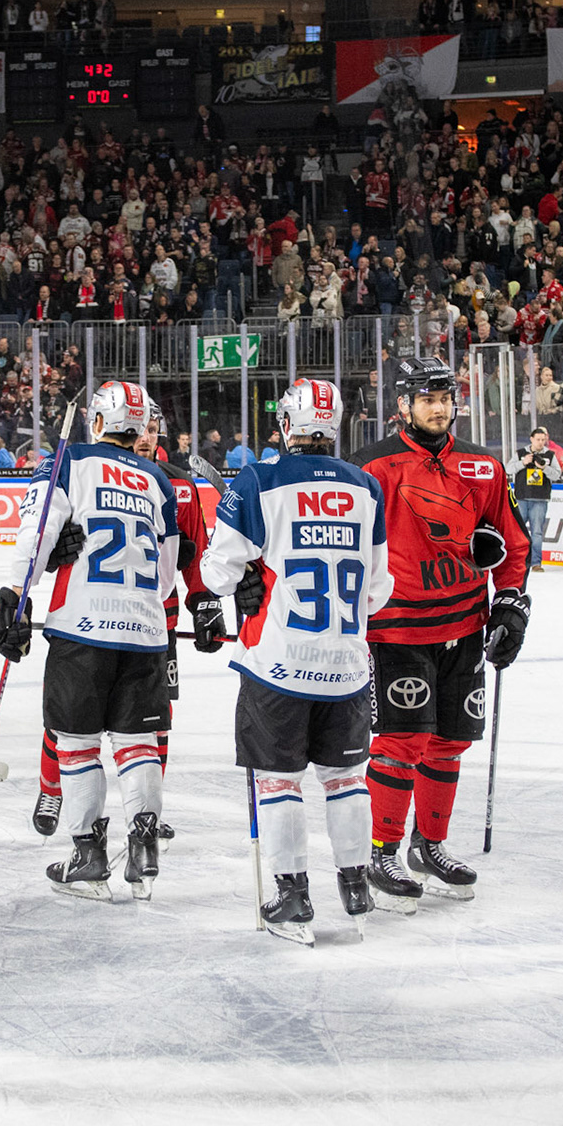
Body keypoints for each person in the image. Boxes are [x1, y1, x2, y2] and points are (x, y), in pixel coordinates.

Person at [201, 379, 395, 943]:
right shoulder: (366, 486)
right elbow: (378, 590)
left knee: (280, 783)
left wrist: (247, 578)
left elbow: (217, 573)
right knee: (345, 778)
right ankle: (355, 886)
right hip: (348, 668)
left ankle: (292, 897)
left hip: (279, 664)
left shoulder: (260, 479)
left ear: (287, 424)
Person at [351, 356, 531, 913]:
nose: (437, 408)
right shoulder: (372, 467)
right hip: (396, 626)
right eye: (426, 399)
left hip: (465, 624)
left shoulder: (483, 466)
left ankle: (427, 844)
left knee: (450, 740)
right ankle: (381, 851)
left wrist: (510, 604)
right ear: (403, 405)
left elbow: (513, 542)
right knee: (401, 741)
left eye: (444, 398)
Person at [0, 381, 180, 901]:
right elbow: (166, 578)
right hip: (145, 632)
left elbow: (36, 534)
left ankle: (88, 856)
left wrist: (15, 595)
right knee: (138, 744)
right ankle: (143, 848)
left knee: (77, 744)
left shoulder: (69, 461)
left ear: (97, 421)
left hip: (82, 629)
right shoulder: (158, 480)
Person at [32, 401, 220, 840]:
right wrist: (58, 549)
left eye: (154, 429)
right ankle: (52, 790)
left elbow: (196, 551)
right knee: (70, 717)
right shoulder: (91, 471)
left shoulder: (175, 483)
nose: (147, 436)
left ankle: (146, 814)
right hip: (94, 616)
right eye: (142, 427)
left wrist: (205, 601)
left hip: (155, 624)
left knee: (154, 722)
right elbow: (51, 531)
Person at [514, 427, 562, 571]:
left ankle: (536, 563)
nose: (541, 442)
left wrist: (545, 468)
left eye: (543, 440)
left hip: (540, 499)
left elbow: (557, 475)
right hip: (521, 498)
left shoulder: (550, 455)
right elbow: (508, 469)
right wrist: (522, 463)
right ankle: (517, 561)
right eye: (538, 439)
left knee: (536, 532)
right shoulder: (520, 453)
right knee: (517, 532)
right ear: (531, 439)